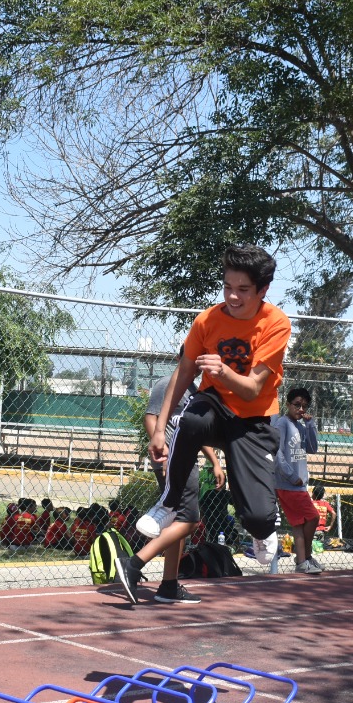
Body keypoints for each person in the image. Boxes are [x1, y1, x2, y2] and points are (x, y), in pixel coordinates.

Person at [121, 244, 290, 605]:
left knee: (257, 516)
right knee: (193, 418)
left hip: (252, 420)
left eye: (243, 290)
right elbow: (184, 373)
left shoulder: (276, 324)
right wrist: (159, 429)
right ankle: (167, 505)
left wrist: (223, 370)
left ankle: (261, 531)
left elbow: (252, 389)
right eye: (227, 286)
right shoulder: (207, 320)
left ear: (262, 290)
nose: (232, 296)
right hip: (214, 404)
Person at [112, 365, 225, 605]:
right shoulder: (169, 383)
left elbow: (194, 431)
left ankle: (169, 585)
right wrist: (162, 453)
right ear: (181, 358)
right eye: (192, 357)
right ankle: (132, 565)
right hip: (172, 460)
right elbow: (151, 417)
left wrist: (214, 460)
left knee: (178, 519)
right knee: (190, 519)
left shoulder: (195, 391)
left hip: (185, 459)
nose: (197, 364)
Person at [272, 386, 322, 574]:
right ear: (288, 404)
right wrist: (292, 476)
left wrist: (310, 425)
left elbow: (312, 448)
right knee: (313, 517)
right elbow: (277, 454)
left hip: (298, 485)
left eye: (304, 406)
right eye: (297, 405)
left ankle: (302, 561)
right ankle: (306, 555)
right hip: (289, 484)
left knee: (299, 524)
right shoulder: (282, 424)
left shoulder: (301, 426)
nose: (301, 409)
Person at [312, 484, 336, 548]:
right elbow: (334, 513)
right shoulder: (325, 504)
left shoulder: (311, 503)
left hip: (311, 530)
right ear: (322, 495)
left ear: (313, 494)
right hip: (321, 531)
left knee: (311, 548)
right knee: (319, 548)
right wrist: (330, 526)